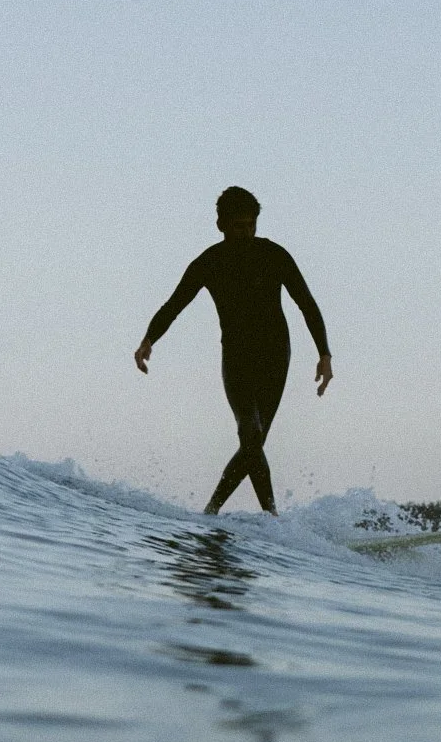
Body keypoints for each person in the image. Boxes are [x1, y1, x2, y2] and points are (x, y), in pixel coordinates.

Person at [134, 187, 333, 516]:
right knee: (249, 434)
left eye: (252, 224)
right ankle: (269, 518)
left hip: (274, 355)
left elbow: (307, 304)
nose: (248, 232)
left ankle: (213, 512)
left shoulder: (274, 255)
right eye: (240, 225)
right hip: (237, 358)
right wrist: (148, 340)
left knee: (254, 443)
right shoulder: (209, 262)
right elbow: (174, 304)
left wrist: (324, 354)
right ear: (221, 225)